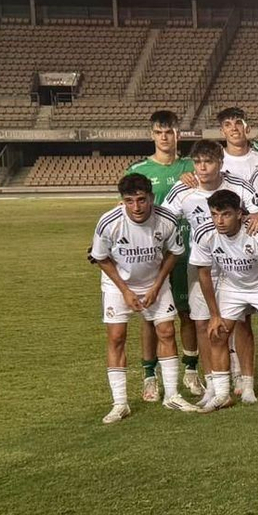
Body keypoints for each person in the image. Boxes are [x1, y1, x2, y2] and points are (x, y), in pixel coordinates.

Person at [165, 140, 258, 390]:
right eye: (198, 162)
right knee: (203, 322)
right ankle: (214, 381)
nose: (202, 168)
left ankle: (244, 380)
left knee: (240, 321)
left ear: (220, 163)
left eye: (208, 162)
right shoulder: (183, 189)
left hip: (236, 265)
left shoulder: (239, 185)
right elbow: (163, 219)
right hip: (202, 266)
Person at [90, 174, 187, 423]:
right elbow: (101, 257)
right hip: (117, 285)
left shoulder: (166, 219)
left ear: (151, 198)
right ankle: (120, 403)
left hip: (155, 281)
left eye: (142, 200)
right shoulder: (108, 222)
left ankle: (172, 395)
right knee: (116, 337)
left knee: (166, 332)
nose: (136, 207)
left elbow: (174, 253)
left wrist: (157, 285)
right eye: (129, 201)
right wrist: (124, 290)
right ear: (122, 201)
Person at [191, 190, 258, 411]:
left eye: (225, 214)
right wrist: (214, 315)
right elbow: (204, 274)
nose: (219, 220)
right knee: (217, 334)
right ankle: (223, 394)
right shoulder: (204, 233)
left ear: (239, 213)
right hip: (232, 285)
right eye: (215, 214)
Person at [126, 109, 201, 398]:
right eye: (159, 132)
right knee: (151, 317)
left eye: (169, 132)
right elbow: (128, 212)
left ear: (178, 134)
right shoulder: (139, 171)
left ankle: (191, 372)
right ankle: (149, 376)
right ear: (152, 135)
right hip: (152, 256)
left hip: (187, 252)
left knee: (189, 314)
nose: (164, 137)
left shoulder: (192, 167)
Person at [216, 106, 258, 181]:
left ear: (247, 129)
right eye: (227, 125)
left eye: (238, 123)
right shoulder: (215, 161)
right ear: (222, 132)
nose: (234, 128)